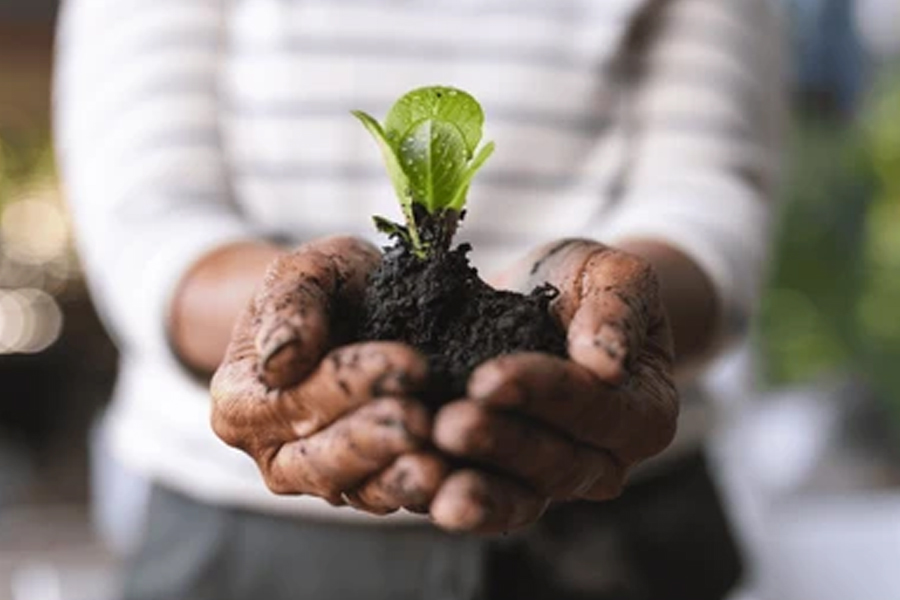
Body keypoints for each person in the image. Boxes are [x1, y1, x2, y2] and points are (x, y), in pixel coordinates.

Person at [53, 0, 786, 598]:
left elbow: (706, 194)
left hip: (615, 536)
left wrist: (615, 309)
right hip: (248, 547)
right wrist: (286, 320)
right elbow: (148, 211)